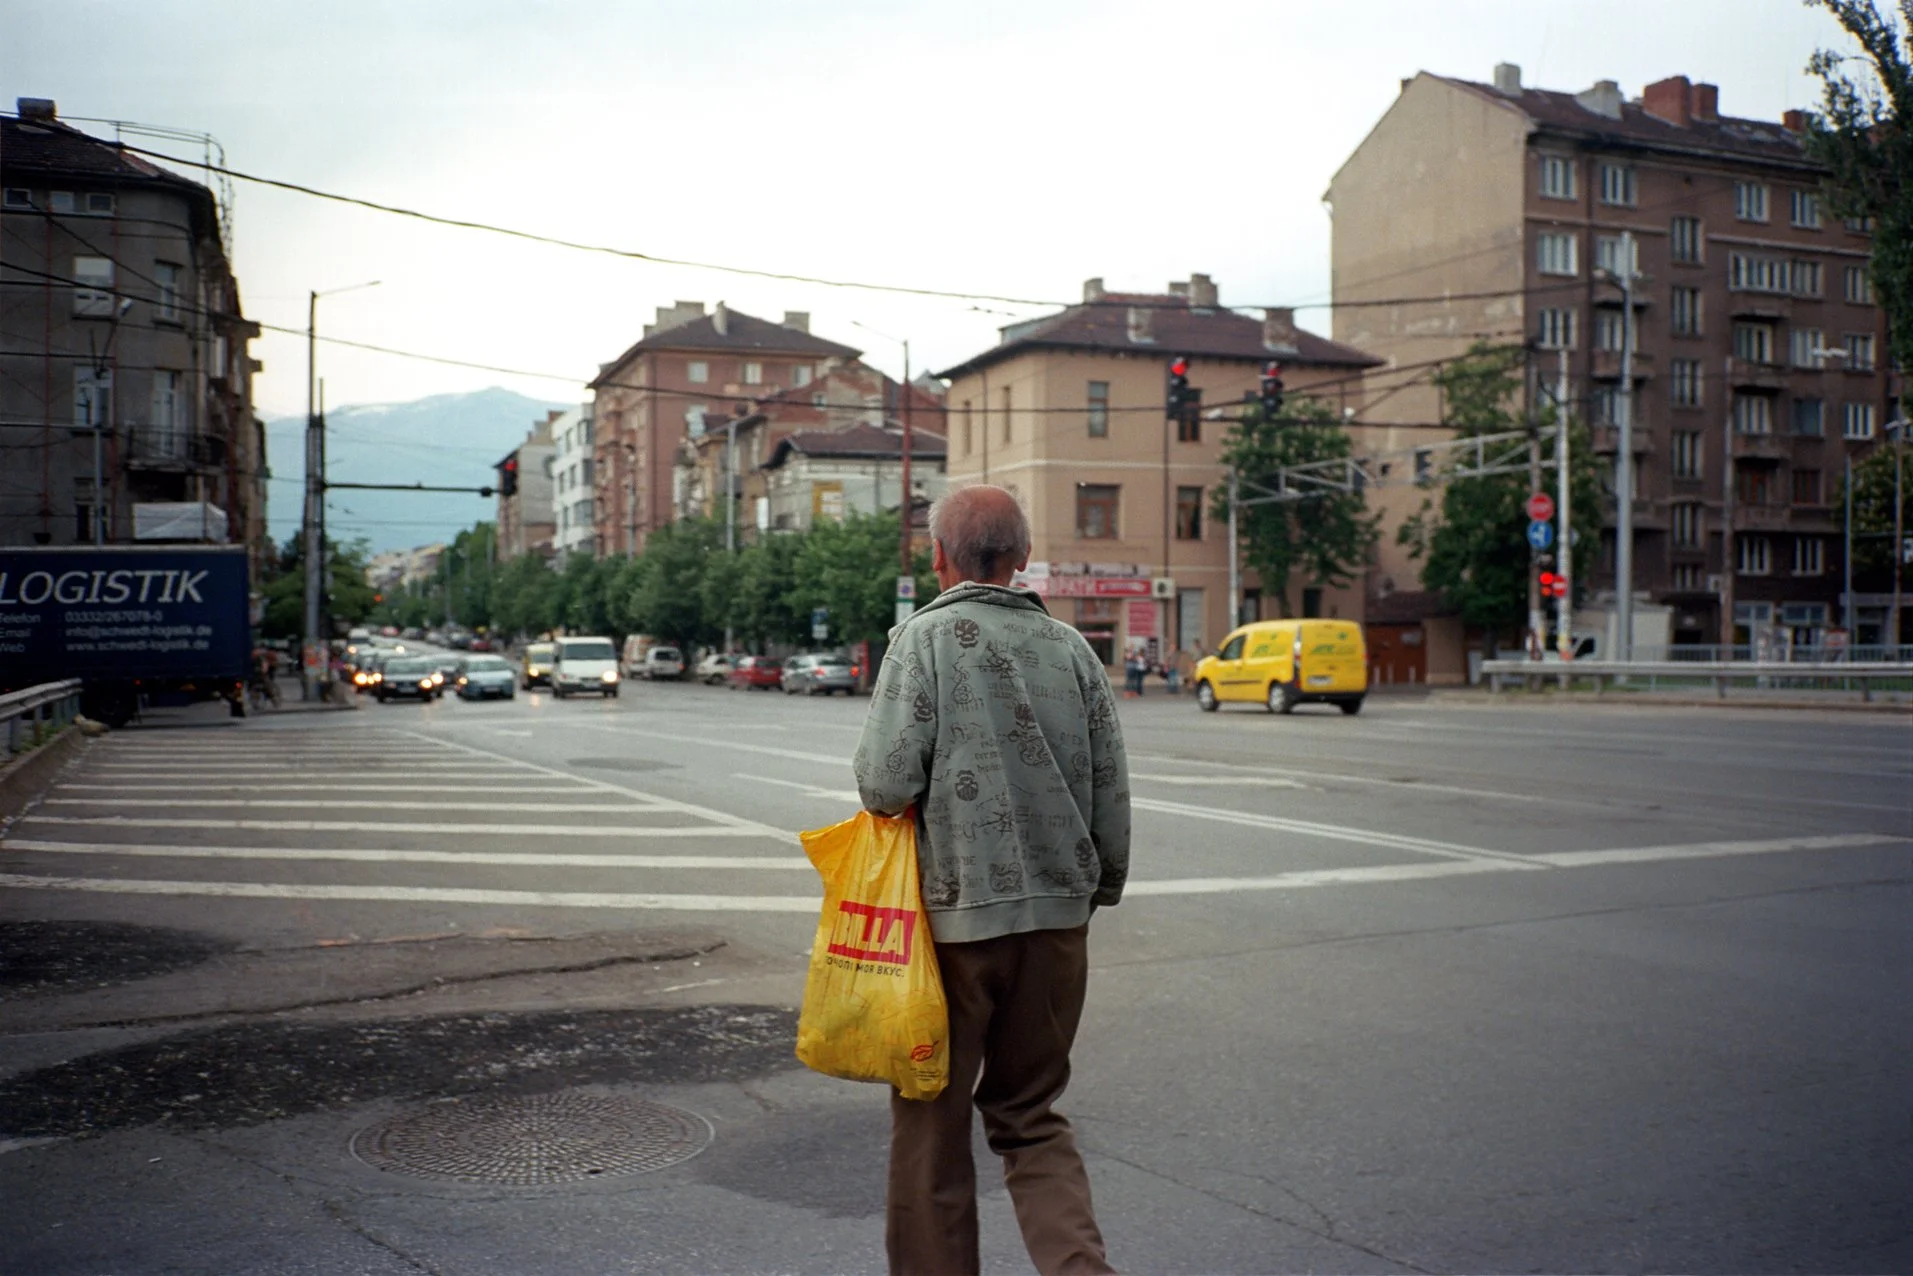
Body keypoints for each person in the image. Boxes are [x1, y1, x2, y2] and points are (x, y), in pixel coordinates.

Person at [855, 483, 1128, 1276]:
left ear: (937, 557)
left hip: (952, 932)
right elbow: (1109, 792)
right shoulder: (1073, 650)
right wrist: (1093, 892)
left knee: (931, 1130)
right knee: (1031, 1118)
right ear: (1021, 558)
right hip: (1055, 927)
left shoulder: (923, 640)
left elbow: (884, 783)